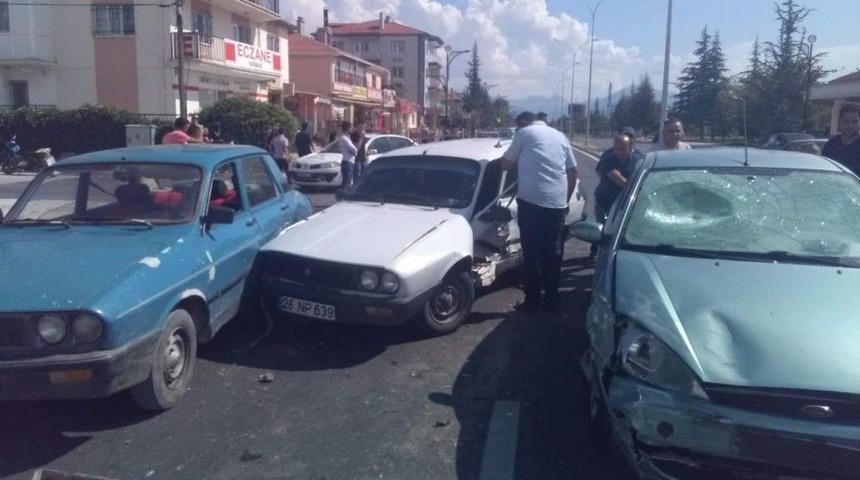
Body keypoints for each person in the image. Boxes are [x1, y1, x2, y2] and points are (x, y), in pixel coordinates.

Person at [501, 111, 578, 313]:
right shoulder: (561, 136)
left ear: (523, 123)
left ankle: (533, 302)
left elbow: (505, 163)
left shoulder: (525, 133)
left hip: (532, 203)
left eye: (518, 126)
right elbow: (573, 171)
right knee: (553, 254)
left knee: (532, 254)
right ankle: (552, 301)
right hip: (557, 205)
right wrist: (565, 199)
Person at [821, 103, 860, 174]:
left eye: (854, 122)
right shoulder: (831, 146)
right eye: (846, 121)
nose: (850, 125)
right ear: (839, 122)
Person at [338, 121, 358, 189]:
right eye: (351, 127)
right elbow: (354, 150)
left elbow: (354, 150)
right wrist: (354, 152)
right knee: (347, 183)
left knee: (348, 182)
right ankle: (344, 198)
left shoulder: (348, 138)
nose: (352, 129)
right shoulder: (344, 138)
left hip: (350, 162)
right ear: (348, 128)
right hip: (347, 163)